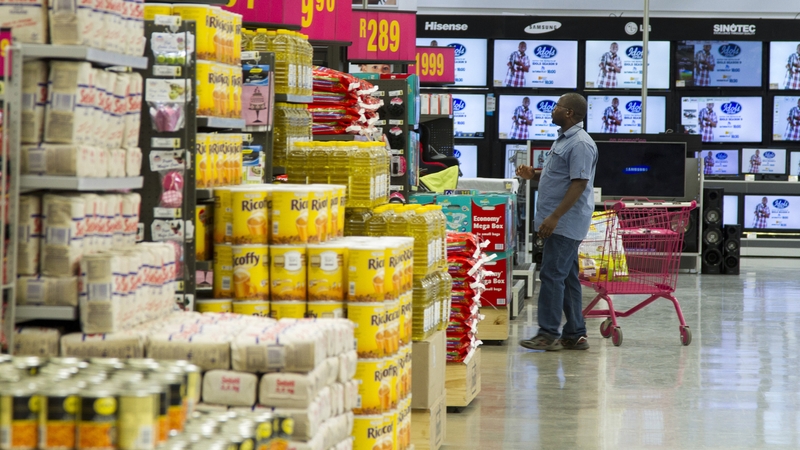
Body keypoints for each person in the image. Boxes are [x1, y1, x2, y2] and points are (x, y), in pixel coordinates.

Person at [515, 93, 598, 351]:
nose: (553, 110)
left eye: (557, 107)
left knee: (551, 274)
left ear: (570, 113)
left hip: (565, 223)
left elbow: (579, 183)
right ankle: (575, 333)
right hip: (560, 221)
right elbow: (561, 175)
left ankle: (548, 333)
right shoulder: (564, 140)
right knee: (568, 277)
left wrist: (554, 217)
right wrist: (535, 174)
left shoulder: (581, 144)